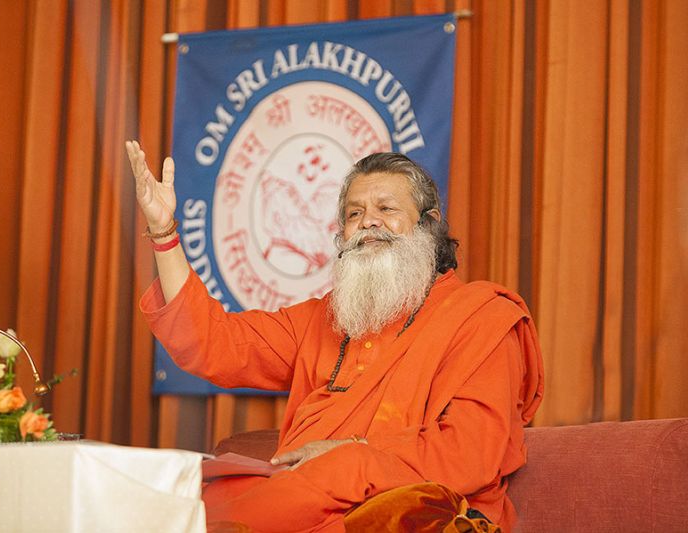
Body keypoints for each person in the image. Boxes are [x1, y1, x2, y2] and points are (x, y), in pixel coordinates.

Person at [126, 141, 544, 532]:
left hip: (413, 512)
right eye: (354, 213)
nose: (369, 222)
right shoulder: (323, 319)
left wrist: (350, 456)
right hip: (305, 503)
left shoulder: (480, 317)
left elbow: (471, 452)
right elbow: (213, 342)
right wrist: (164, 235)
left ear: (429, 225)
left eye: (386, 208)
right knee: (205, 491)